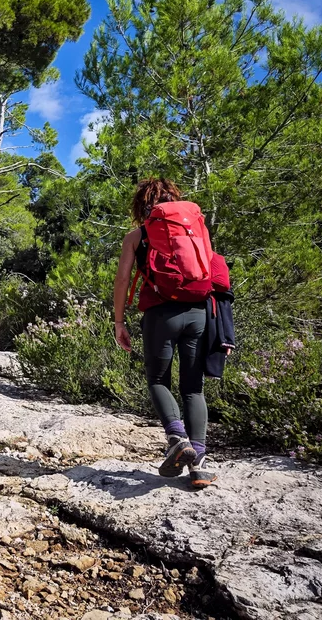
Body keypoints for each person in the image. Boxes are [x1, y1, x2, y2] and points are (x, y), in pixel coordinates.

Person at [112, 178, 217, 488]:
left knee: (158, 379)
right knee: (193, 388)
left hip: (161, 314)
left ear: (142, 206)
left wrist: (119, 322)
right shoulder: (196, 228)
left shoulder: (137, 235)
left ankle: (177, 438)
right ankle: (198, 464)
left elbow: (122, 280)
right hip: (199, 312)